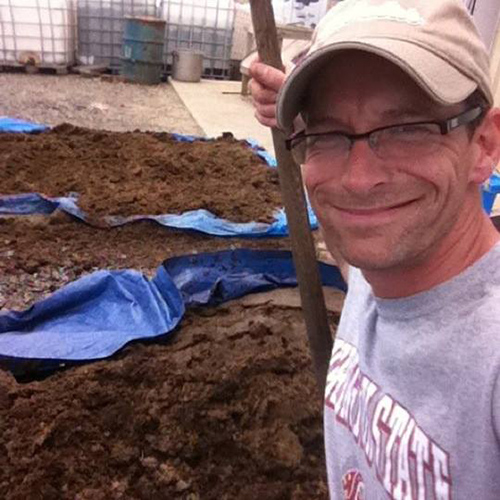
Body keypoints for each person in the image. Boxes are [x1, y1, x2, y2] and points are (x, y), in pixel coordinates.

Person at [249, 0, 500, 498]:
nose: (359, 180)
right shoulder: (375, 273)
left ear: (486, 145)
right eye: (329, 134)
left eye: (408, 129)